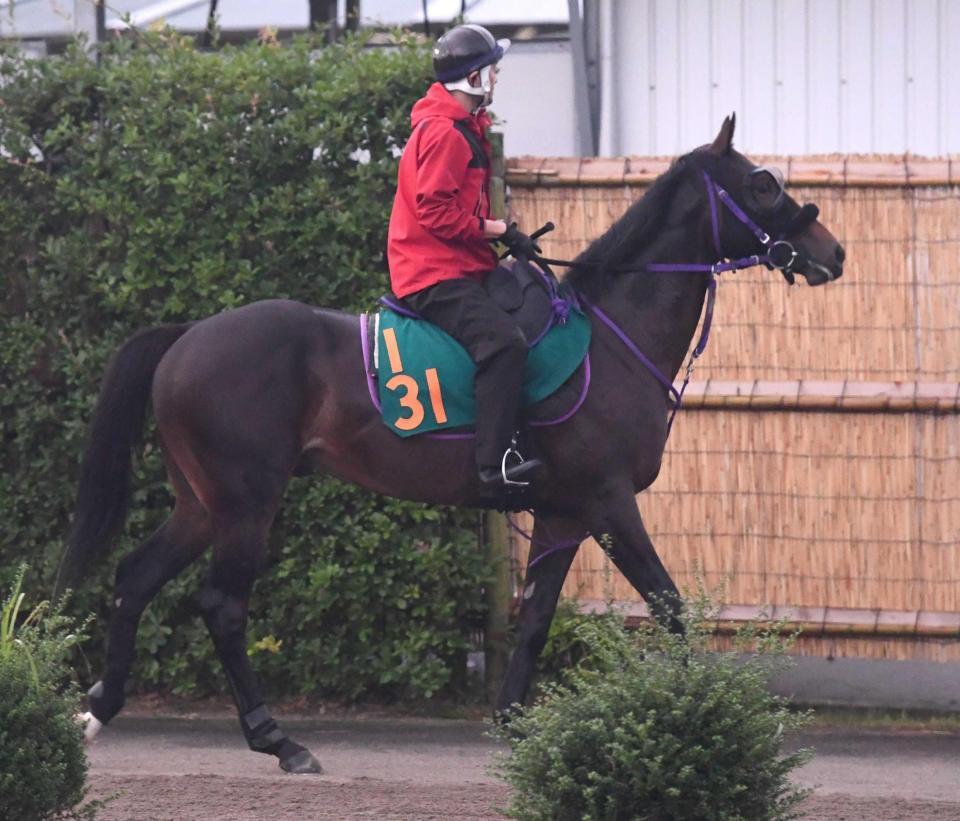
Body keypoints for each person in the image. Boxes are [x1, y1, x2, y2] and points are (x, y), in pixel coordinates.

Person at [387, 23, 543, 497]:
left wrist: (500, 239)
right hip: (432, 275)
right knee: (503, 345)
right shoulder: (447, 136)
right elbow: (435, 212)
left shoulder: (458, 128)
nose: (496, 78)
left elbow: (460, 206)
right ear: (472, 80)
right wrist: (498, 231)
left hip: (458, 265)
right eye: (492, 70)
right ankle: (492, 469)